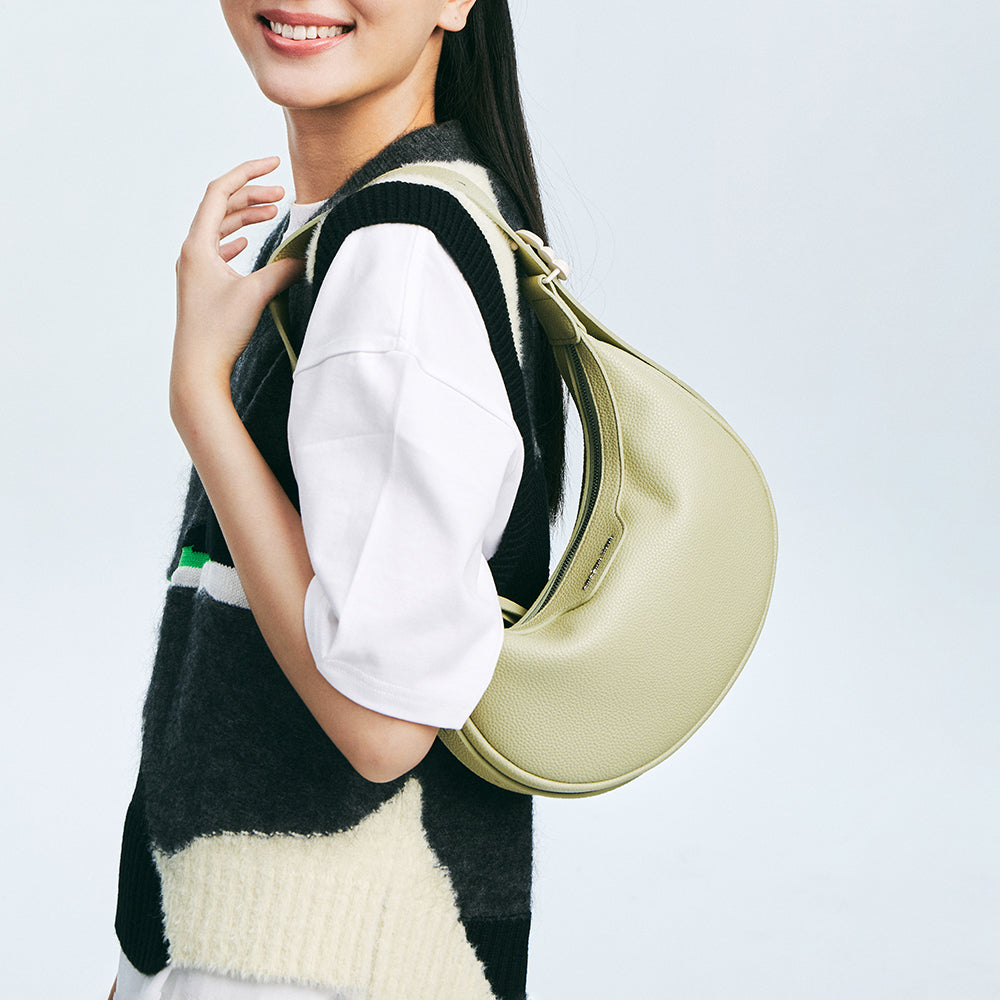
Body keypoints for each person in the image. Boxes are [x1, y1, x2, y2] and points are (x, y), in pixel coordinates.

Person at [109, 1, 565, 998]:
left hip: (304, 959)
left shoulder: (394, 260)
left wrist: (201, 402)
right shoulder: (372, 226)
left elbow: (379, 722)